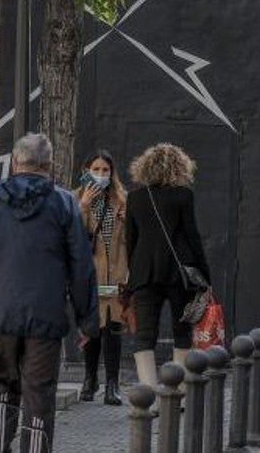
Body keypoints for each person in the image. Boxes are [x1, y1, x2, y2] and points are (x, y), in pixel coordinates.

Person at [0, 134, 97, 452]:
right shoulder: (64, 204)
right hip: (44, 319)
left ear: (15, 162)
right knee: (38, 396)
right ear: (48, 165)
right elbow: (81, 265)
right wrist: (87, 321)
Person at [125, 143, 211, 387]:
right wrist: (205, 274)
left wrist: (133, 275)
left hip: (144, 273)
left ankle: (148, 395)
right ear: (179, 166)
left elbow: (131, 241)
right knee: (181, 331)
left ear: (145, 168)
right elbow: (192, 236)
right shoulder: (184, 195)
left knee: (144, 336)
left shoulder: (135, 198)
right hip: (178, 273)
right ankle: (180, 391)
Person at [76, 150, 129, 406]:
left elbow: (131, 240)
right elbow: (73, 236)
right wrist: (83, 207)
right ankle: (89, 379)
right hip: (90, 275)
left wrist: (128, 221)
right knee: (91, 329)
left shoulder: (122, 199)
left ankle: (112, 384)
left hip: (116, 274)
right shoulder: (75, 198)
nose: (100, 175)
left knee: (113, 330)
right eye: (95, 170)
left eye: (105, 170)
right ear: (86, 170)